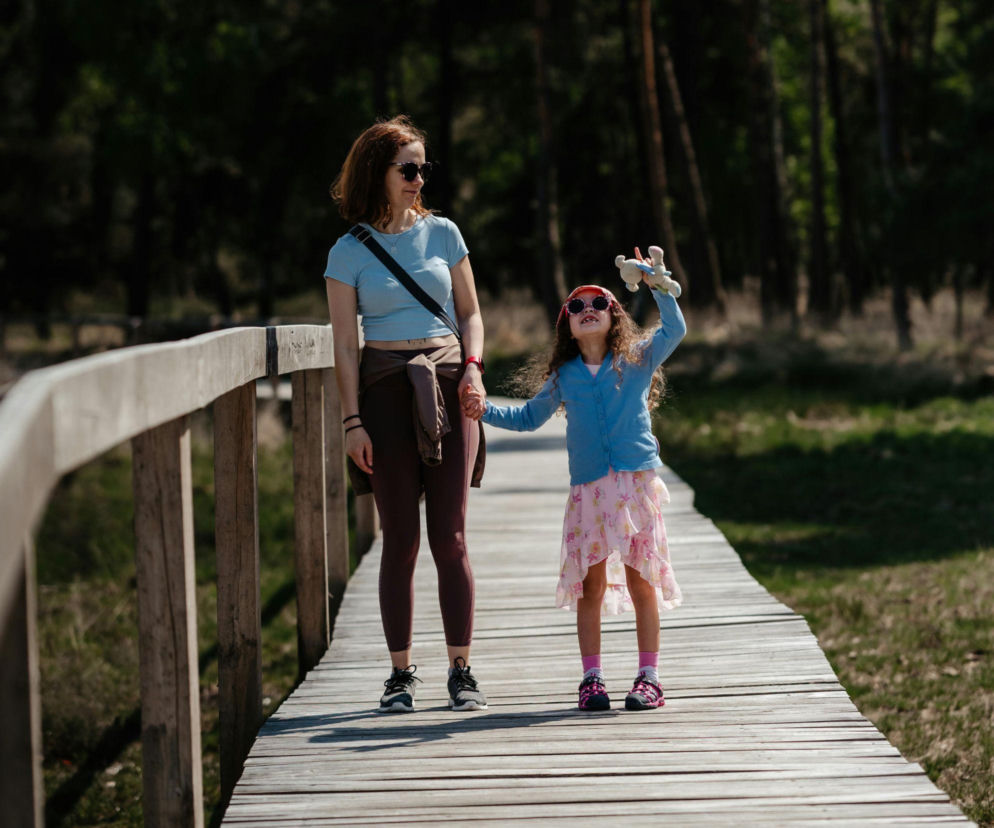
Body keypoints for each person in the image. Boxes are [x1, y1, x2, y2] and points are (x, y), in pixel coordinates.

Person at [464, 262, 685, 711]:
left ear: (615, 315)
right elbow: (527, 418)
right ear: (567, 322)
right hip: (590, 492)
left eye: (599, 302)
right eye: (577, 305)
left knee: (643, 581)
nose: (588, 308)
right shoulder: (564, 377)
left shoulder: (637, 360)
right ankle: (592, 679)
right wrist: (482, 409)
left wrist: (658, 284)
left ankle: (649, 677)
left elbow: (675, 329)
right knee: (591, 587)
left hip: (634, 485)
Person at [324, 115, 488, 712]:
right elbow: (345, 346)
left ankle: (461, 670)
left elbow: (470, 312)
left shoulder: (445, 233)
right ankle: (399, 675)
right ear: (379, 173)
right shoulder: (347, 253)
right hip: (384, 392)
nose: (420, 179)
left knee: (451, 537)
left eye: (423, 168)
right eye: (409, 169)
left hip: (449, 385)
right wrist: (351, 420)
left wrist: (472, 366)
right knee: (400, 539)